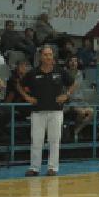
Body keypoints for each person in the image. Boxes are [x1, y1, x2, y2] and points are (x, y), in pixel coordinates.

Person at [23, 47, 74, 176]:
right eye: (45, 55)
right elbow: (19, 84)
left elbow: (73, 83)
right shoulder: (33, 73)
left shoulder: (60, 71)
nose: (48, 57)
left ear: (53, 56)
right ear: (40, 57)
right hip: (38, 112)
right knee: (36, 140)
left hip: (56, 111)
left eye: (50, 54)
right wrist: (27, 97)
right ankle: (34, 168)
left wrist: (66, 95)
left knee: (54, 140)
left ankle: (53, 168)